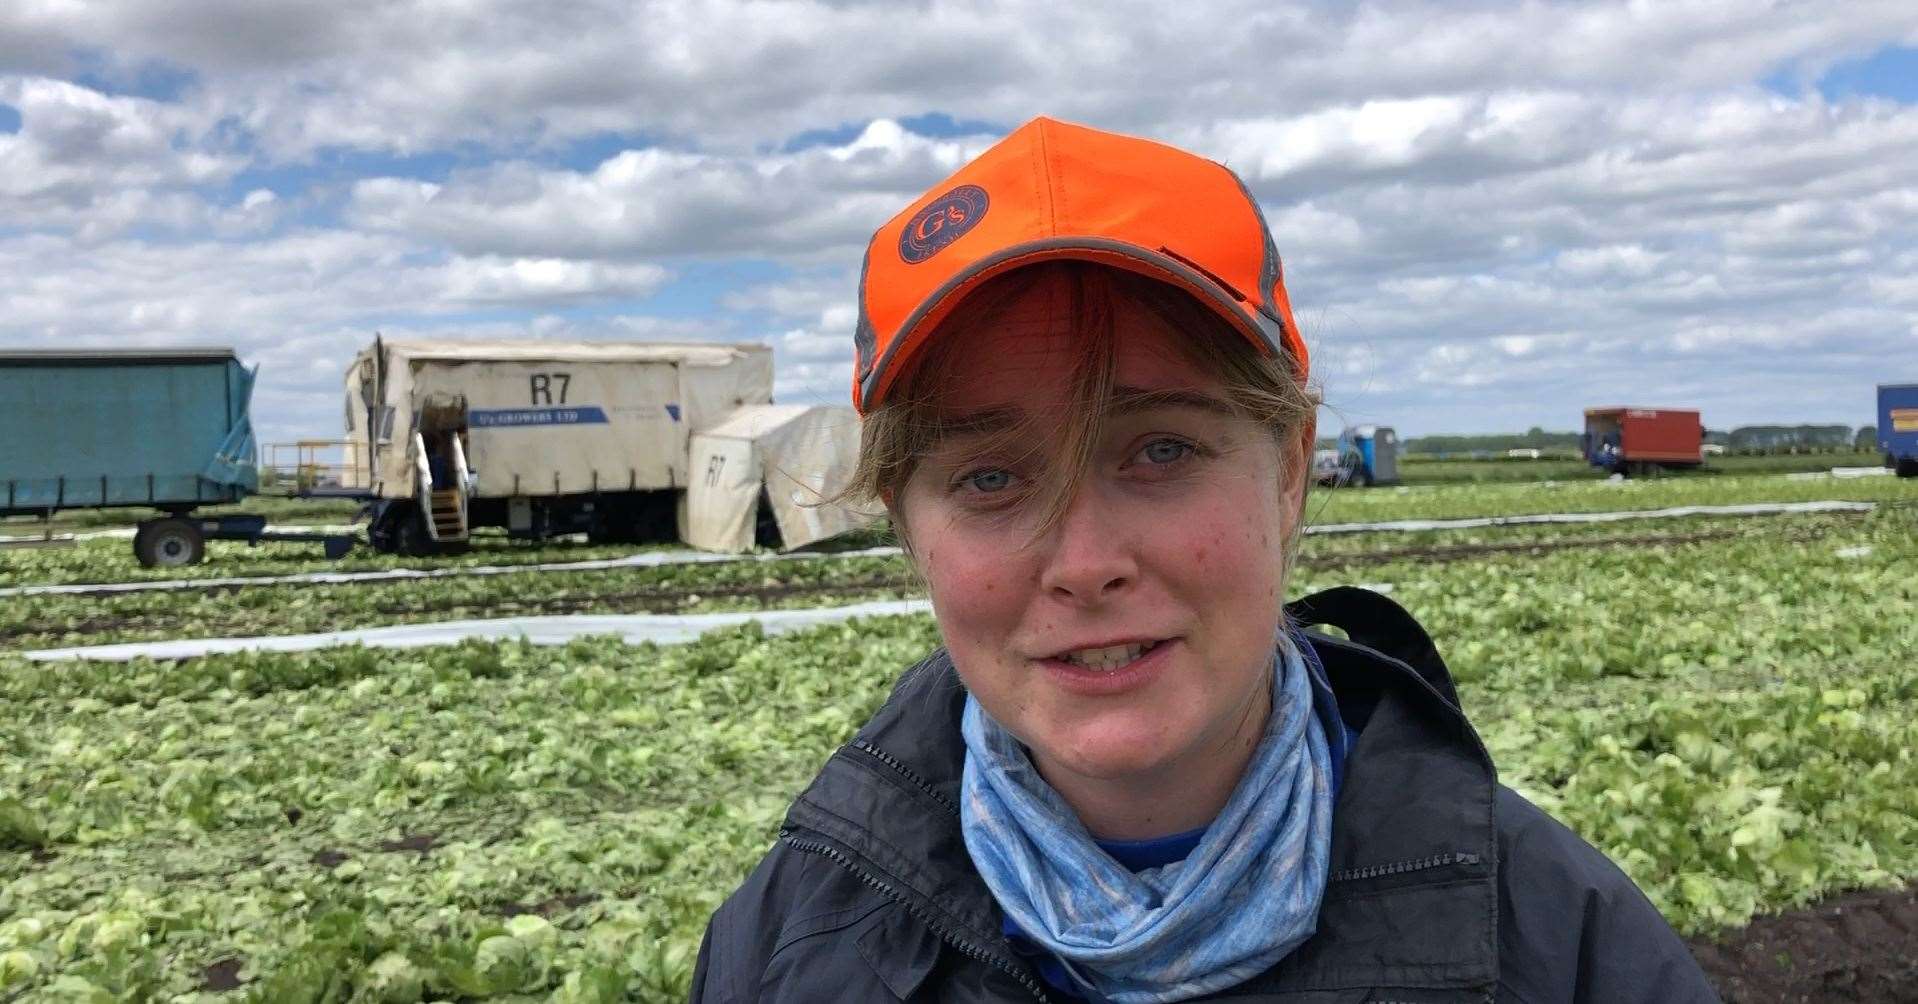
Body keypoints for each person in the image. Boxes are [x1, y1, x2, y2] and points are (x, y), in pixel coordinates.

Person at [692, 117, 1717, 1003]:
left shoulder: (1561, 947)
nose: (1085, 562)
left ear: (1288, 473)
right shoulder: (782, 951)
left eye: (1162, 450)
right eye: (990, 479)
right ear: (907, 525)